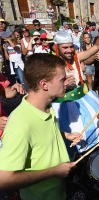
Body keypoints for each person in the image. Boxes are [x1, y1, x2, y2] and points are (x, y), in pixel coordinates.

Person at [0, 53, 81, 200]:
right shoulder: (21, 124)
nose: (67, 83)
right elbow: (4, 179)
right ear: (44, 84)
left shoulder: (45, 107)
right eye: (62, 80)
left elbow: (39, 136)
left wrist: (65, 135)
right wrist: (54, 172)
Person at [51, 14, 99, 154]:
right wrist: (63, 84)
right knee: (72, 133)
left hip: (84, 96)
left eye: (71, 46)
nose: (69, 50)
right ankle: (75, 159)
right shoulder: (51, 64)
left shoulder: (76, 57)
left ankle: (93, 153)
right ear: (57, 48)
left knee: (96, 124)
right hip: (63, 103)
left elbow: (97, 45)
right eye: (65, 47)